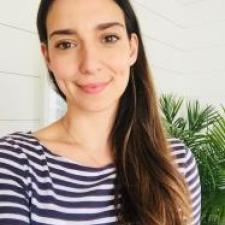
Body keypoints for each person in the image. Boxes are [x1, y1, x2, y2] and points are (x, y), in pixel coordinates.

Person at [0, 0, 201, 224]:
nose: (90, 64)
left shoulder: (176, 162)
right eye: (66, 44)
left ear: (132, 48)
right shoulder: (13, 163)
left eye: (109, 38)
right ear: (48, 57)